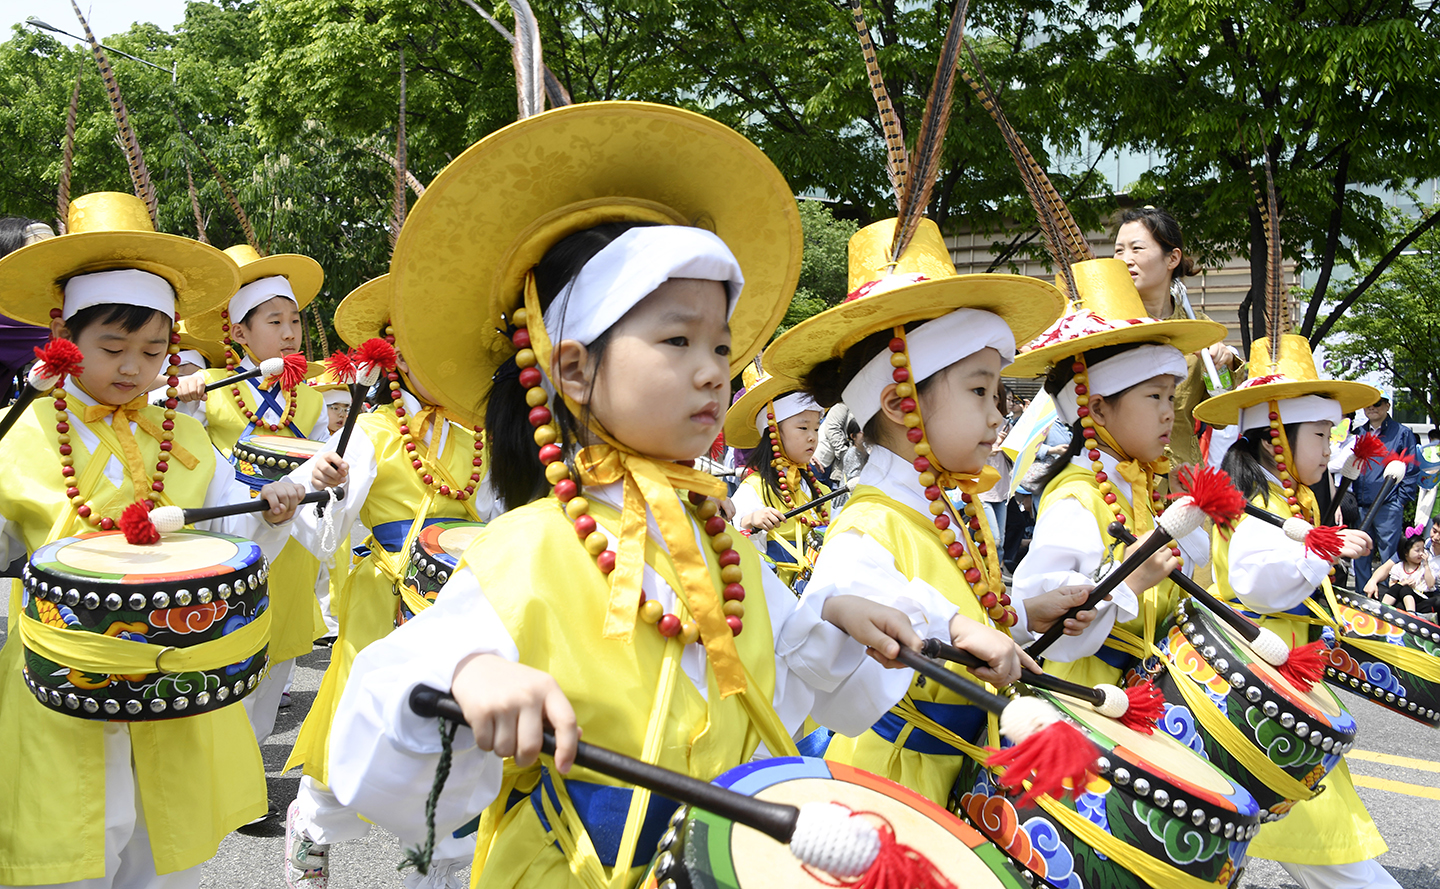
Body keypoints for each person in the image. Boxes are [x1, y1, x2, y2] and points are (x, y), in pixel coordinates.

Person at [325, 101, 924, 889]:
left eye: (719, 343)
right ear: (573, 370)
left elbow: (809, 677)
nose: (714, 368)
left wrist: (839, 617)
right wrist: (471, 674)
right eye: (677, 341)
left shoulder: (720, 541)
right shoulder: (529, 548)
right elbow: (379, 714)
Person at [0, 191, 306, 889]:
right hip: (59, 672)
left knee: (159, 838)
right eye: (112, 348)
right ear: (64, 340)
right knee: (66, 837)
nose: (134, 368)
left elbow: (228, 530)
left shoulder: (187, 436)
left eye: (154, 349)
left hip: (174, 669)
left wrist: (272, 510)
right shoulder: (24, 430)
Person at [764, 206, 1093, 806]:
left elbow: (970, 610)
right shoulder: (868, 523)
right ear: (897, 403)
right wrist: (955, 624)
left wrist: (1022, 613)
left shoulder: (955, 505)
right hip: (894, 785)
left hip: (962, 771)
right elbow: (847, 600)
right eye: (979, 391)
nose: (998, 414)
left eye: (997, 393)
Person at [281, 275, 501, 889]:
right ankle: (315, 825)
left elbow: (497, 517)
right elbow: (322, 520)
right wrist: (323, 484)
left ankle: (435, 867)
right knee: (357, 716)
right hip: (382, 600)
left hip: (454, 604)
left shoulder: (479, 440)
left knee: (451, 738)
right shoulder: (372, 431)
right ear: (397, 358)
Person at [1193, 333, 1399, 889]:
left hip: (1274, 677)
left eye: (1330, 435)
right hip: (1260, 681)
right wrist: (1320, 548)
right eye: (1319, 435)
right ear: (1273, 440)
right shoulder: (1258, 504)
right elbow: (1255, 583)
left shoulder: (1282, 496)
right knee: (1323, 840)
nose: (1329, 447)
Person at [1007, 257, 1225, 688]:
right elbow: (1047, 627)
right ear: (1099, 408)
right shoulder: (1076, 499)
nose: (1169, 413)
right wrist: (1128, 580)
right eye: (1155, 397)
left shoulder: (1137, 484)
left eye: (1170, 396)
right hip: (1091, 696)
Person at [174, 244, 330, 747]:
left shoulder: (310, 395)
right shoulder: (213, 386)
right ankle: (223, 772)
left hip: (292, 551)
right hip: (231, 550)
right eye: (274, 321)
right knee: (227, 659)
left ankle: (253, 775)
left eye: (295, 321)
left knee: (277, 664)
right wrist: (188, 400)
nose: (289, 333)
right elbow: (185, 458)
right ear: (239, 333)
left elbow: (323, 461)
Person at [1114, 206, 1241, 468]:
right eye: (1119, 250)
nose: (1126, 259)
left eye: (1137, 249)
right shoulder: (1105, 323)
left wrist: (1223, 366)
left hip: (1181, 475)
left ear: (1172, 258)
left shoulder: (1200, 329)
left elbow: (1220, 417)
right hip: (1120, 473)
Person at [727, 360, 829, 592]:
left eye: (816, 428)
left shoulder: (820, 491)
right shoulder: (753, 488)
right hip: (775, 597)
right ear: (773, 431)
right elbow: (730, 538)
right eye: (803, 428)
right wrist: (749, 521)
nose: (813, 437)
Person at [1351, 394, 1421, 586]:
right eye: (1368, 404)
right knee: (1360, 554)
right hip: (1361, 505)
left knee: (1389, 556)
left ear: (1388, 405)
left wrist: (1401, 500)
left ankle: (1387, 600)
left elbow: (1412, 468)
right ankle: (1363, 599)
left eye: (1377, 403)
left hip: (1388, 506)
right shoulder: (1358, 433)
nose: (1372, 408)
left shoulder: (1402, 433)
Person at [1363, 526, 1432, 614]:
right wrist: (1372, 581)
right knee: (1382, 590)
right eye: (1434, 531)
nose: (1421, 553)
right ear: (1406, 552)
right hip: (1402, 596)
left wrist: (1426, 566)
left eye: (1422, 550)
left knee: (1406, 591)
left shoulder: (1424, 563)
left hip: (1423, 597)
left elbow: (1430, 585)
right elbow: (1386, 569)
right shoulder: (1399, 566)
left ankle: (1411, 614)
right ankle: (1381, 610)